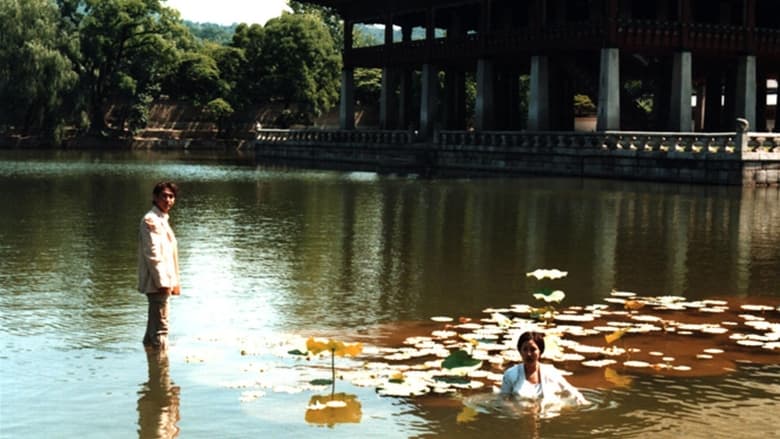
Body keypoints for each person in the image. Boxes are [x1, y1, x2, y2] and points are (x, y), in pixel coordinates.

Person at [138, 181, 181, 351]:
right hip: (158, 284)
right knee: (161, 331)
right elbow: (153, 254)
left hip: (163, 282)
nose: (168, 200)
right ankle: (161, 373)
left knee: (152, 332)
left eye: (171, 196)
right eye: (164, 196)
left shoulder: (161, 219)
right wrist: (163, 282)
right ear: (155, 197)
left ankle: (152, 360)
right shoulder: (151, 220)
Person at [500, 331, 588, 405]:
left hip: (547, 415)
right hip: (520, 415)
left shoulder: (551, 372)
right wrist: (518, 412)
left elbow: (571, 391)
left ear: (540, 352)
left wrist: (583, 403)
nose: (529, 354)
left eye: (533, 349)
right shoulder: (511, 374)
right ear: (520, 351)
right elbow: (504, 399)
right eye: (525, 349)